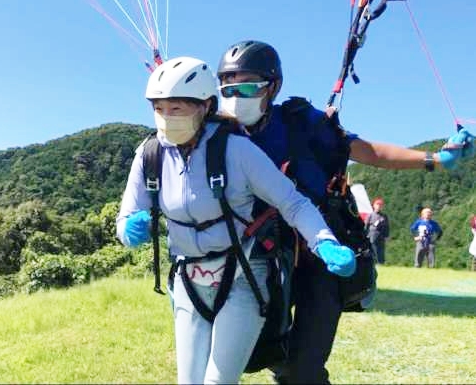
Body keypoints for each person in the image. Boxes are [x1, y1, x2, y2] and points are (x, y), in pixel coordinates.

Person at [215, 39, 475, 384]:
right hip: (257, 259)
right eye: (227, 87)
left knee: (302, 370)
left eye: (247, 86)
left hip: (316, 255)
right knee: (256, 354)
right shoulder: (215, 132)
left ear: (273, 87)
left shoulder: (301, 123)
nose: (236, 96)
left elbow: (370, 153)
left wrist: (434, 160)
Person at [116, 56, 357, 384]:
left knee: (217, 381)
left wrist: (324, 241)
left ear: (205, 107)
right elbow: (127, 214)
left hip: (242, 276)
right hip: (189, 279)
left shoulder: (237, 151)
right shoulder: (150, 156)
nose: (167, 118)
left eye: (178, 109)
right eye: (159, 109)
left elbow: (293, 203)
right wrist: (130, 229)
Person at [364, 198, 390, 264]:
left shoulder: (384, 216)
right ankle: (374, 263)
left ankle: (381, 263)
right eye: (377, 204)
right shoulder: (370, 215)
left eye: (380, 205)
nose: (379, 206)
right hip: (372, 235)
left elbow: (387, 227)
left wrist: (387, 236)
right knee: (373, 249)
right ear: (374, 205)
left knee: (381, 250)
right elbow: (365, 226)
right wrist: (365, 235)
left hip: (381, 236)